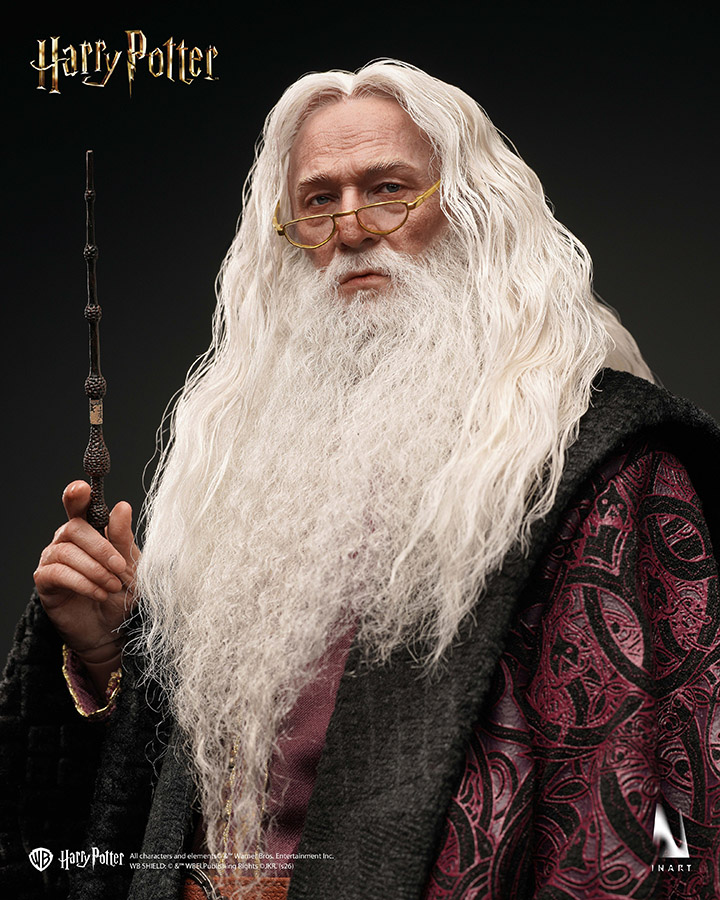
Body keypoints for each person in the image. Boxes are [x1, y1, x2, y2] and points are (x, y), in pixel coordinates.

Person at [2, 60, 719, 900]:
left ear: (470, 209)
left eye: (389, 190)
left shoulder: (600, 460)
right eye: (318, 200)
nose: (350, 227)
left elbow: (664, 786)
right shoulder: (239, 460)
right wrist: (105, 653)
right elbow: (156, 791)